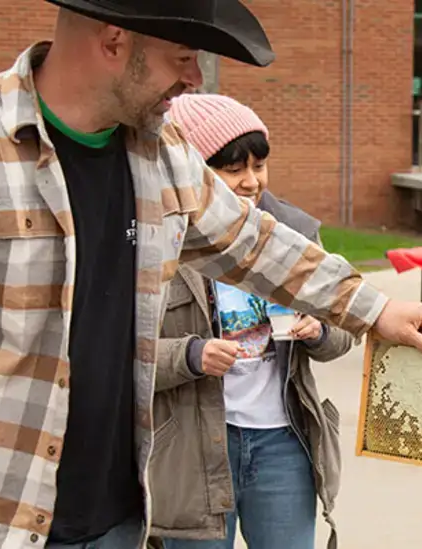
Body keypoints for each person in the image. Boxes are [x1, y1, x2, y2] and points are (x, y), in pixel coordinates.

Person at [0, 2, 422, 548]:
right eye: (183, 56)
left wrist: (372, 307)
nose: (195, 78)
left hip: (121, 519)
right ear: (115, 39)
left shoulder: (161, 153)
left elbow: (253, 244)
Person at [149, 94, 353, 549]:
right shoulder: (158, 241)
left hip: (283, 444)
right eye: (233, 169)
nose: (250, 182)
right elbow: (123, 355)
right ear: (194, 171)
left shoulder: (294, 232)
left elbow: (344, 330)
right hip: (191, 451)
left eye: (259, 166)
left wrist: (318, 331)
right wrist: (190, 355)